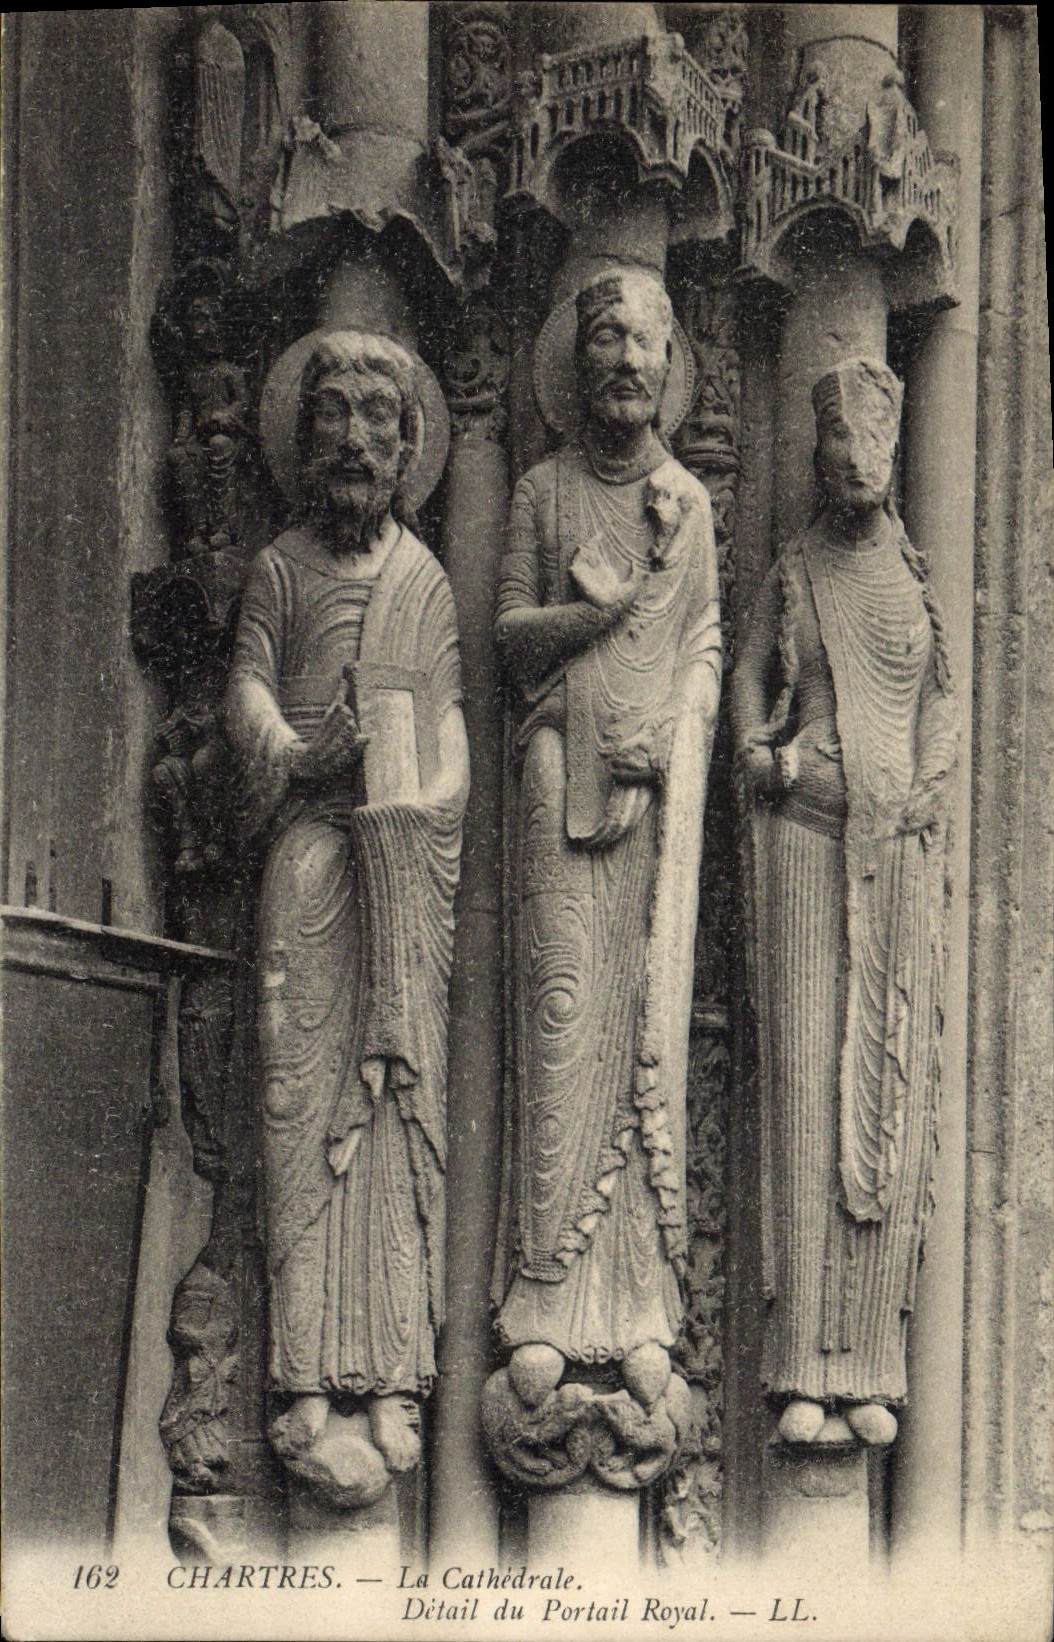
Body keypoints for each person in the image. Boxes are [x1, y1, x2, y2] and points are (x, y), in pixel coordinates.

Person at [224, 330, 468, 1479]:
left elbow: (451, 728)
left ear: (410, 441)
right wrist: (304, 754)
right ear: (306, 434)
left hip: (397, 875)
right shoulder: (279, 567)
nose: (359, 438)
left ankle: (394, 1376)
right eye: (337, 415)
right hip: (310, 865)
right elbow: (248, 693)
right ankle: (307, 1370)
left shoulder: (423, 580)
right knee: (295, 1101)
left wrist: (421, 808)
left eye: (381, 418)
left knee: (393, 1111)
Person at [491, 268, 722, 1415]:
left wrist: (675, 735)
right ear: (575, 363)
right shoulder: (541, 492)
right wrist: (595, 616)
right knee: (559, 1023)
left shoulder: (690, 507)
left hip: (648, 798)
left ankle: (639, 1308)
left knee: (644, 1031)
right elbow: (511, 641)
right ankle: (542, 1298)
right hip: (550, 784)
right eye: (606, 339)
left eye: (646, 341)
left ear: (672, 364)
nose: (627, 359)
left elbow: (709, 649)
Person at [733, 356, 959, 1446]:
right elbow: (747, 688)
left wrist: (926, 780)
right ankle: (797, 1365)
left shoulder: (914, 580)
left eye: (877, 445)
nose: (860, 461)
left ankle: (868, 1361)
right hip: (808, 849)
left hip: (897, 859)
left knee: (889, 1098)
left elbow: (941, 704)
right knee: (808, 1093)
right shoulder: (795, 569)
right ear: (818, 455)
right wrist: (760, 750)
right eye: (841, 445)